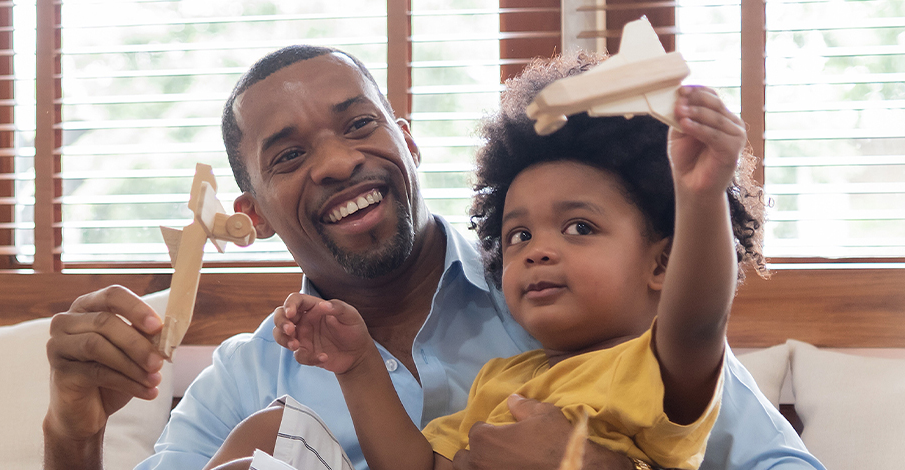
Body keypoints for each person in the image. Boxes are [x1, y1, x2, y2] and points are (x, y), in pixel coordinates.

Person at [42, 45, 820, 470]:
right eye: (288, 156)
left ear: (408, 141)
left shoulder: (605, 323)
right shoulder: (248, 381)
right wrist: (72, 433)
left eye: (358, 125)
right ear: (254, 217)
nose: (339, 163)